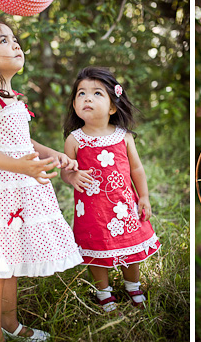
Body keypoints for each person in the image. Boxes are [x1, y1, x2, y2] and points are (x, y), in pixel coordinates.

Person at [0, 18, 83, 342]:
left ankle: (10, 324)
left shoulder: (10, 97)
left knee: (11, 260)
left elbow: (23, 143)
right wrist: (22, 168)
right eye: (4, 41)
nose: (15, 45)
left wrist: (53, 155)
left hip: (16, 191)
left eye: (14, 39)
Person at [60, 67, 161, 312]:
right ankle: (103, 291)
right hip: (92, 210)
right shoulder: (75, 139)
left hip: (123, 206)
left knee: (131, 245)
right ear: (74, 105)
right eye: (81, 94)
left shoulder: (123, 136)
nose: (87, 98)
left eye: (97, 93)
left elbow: (136, 169)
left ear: (113, 107)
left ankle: (133, 285)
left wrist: (144, 196)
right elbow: (65, 171)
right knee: (97, 249)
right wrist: (72, 176)